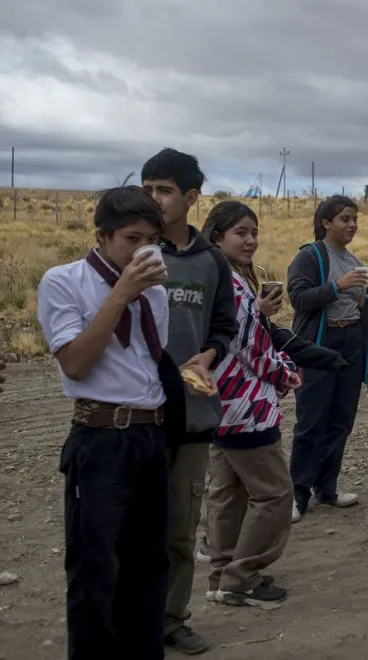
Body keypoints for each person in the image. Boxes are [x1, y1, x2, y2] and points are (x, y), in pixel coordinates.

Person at [36, 186, 183, 659]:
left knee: (149, 565)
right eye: (131, 238)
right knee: (96, 569)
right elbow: (76, 363)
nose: (143, 251)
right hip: (100, 438)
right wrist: (121, 293)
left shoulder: (156, 294)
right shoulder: (64, 282)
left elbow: (140, 363)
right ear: (101, 235)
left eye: (152, 241)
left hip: (149, 436)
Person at [142, 148, 238, 655]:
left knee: (181, 527)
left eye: (163, 190)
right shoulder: (133, 251)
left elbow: (225, 325)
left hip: (192, 414)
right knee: (135, 525)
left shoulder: (210, 262)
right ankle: (131, 618)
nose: (153, 199)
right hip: (135, 412)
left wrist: (210, 354)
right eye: (147, 188)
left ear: (191, 198)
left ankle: (173, 619)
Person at [199, 201, 306, 607]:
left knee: (227, 492)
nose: (250, 241)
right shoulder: (232, 285)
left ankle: (220, 576)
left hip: (218, 404)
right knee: (276, 494)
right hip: (246, 407)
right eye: (240, 232)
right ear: (216, 237)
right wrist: (288, 373)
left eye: (253, 232)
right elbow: (250, 348)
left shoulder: (215, 278)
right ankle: (241, 577)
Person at [287, 195, 368, 521]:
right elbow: (299, 299)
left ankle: (326, 489)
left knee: (341, 421)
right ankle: (297, 495)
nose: (352, 225)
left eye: (354, 219)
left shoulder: (355, 260)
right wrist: (337, 286)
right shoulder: (310, 257)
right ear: (326, 222)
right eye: (344, 219)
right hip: (320, 342)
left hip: (352, 341)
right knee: (312, 421)